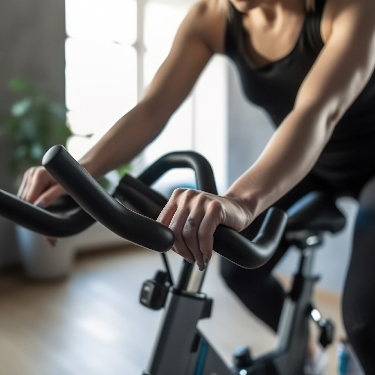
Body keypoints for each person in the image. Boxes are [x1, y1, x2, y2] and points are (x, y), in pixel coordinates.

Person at [18, 0, 375, 373]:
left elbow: (317, 111)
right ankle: (306, 349)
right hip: (310, 165)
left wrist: (239, 200)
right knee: (240, 270)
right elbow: (153, 107)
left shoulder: (347, 8)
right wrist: (81, 172)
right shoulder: (213, 16)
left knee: (365, 322)